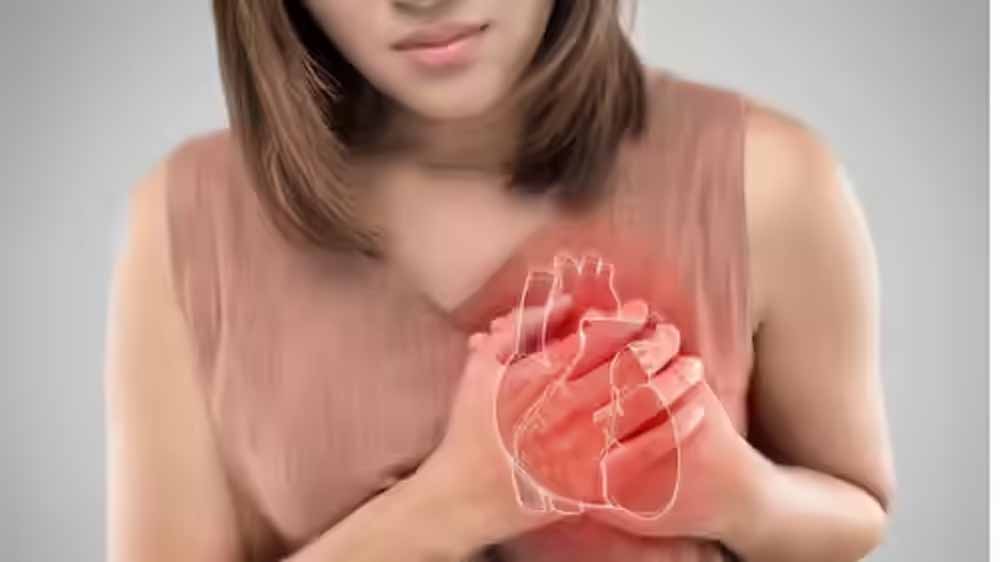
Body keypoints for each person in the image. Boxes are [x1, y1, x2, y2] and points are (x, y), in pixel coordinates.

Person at [104, 1, 896, 561]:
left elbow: (857, 512)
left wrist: (737, 495)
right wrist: (456, 503)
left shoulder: (771, 178)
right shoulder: (186, 216)